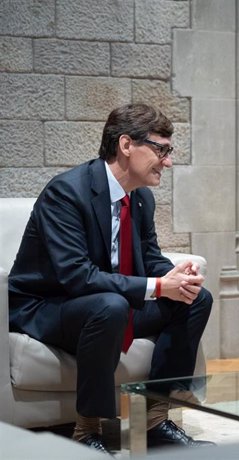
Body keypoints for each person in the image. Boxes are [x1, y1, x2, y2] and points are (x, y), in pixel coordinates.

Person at [8, 104, 214, 453]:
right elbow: (77, 277)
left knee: (196, 298)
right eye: (161, 150)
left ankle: (154, 421)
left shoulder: (140, 199)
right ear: (126, 145)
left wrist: (175, 275)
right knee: (110, 305)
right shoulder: (66, 193)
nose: (168, 162)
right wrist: (160, 286)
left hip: (106, 306)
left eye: (169, 151)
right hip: (48, 307)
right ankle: (87, 431)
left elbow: (149, 258)